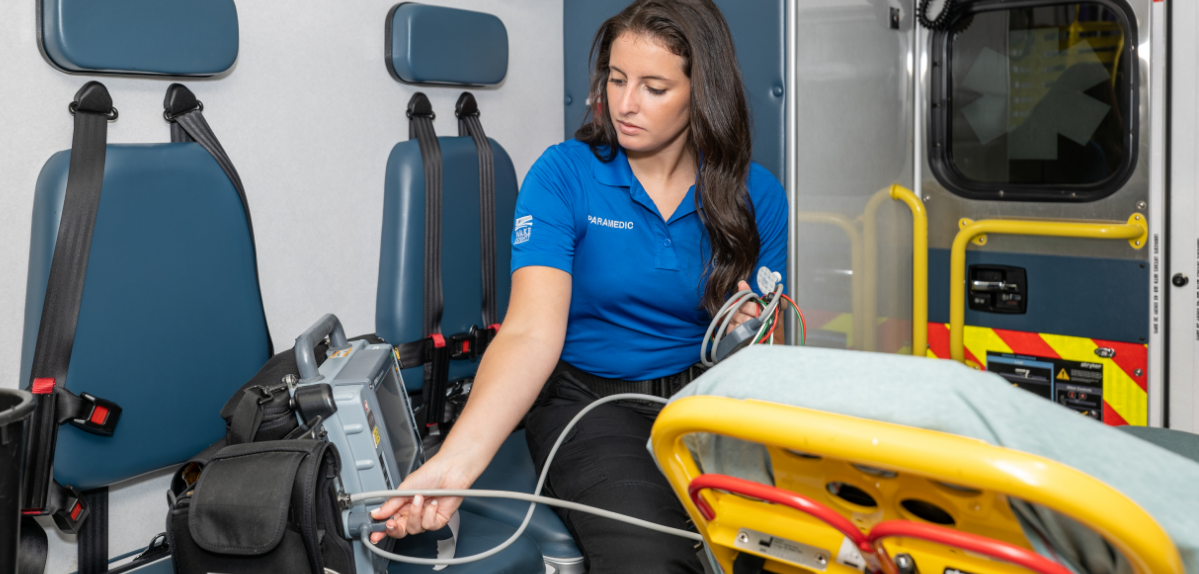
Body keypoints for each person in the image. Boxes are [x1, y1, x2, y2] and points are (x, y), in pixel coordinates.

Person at [371, 0, 788, 571]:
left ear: (702, 93)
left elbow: (768, 347)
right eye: (616, 79)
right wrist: (456, 464)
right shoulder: (565, 175)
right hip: (589, 403)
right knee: (654, 559)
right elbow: (528, 333)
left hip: (701, 405)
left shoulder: (754, 196)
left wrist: (749, 334)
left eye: (654, 87)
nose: (625, 103)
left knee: (774, 544)